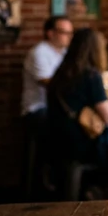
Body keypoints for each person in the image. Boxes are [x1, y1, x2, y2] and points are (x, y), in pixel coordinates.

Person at [46, 28, 108, 193]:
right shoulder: (91, 76)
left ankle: (95, 187)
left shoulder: (60, 73)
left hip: (58, 139)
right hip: (81, 142)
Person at [22, 16, 72, 195]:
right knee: (67, 129)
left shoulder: (65, 54)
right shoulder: (39, 52)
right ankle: (51, 185)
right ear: (50, 33)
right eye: (64, 32)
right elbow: (49, 84)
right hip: (37, 109)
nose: (68, 37)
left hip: (56, 109)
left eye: (70, 33)